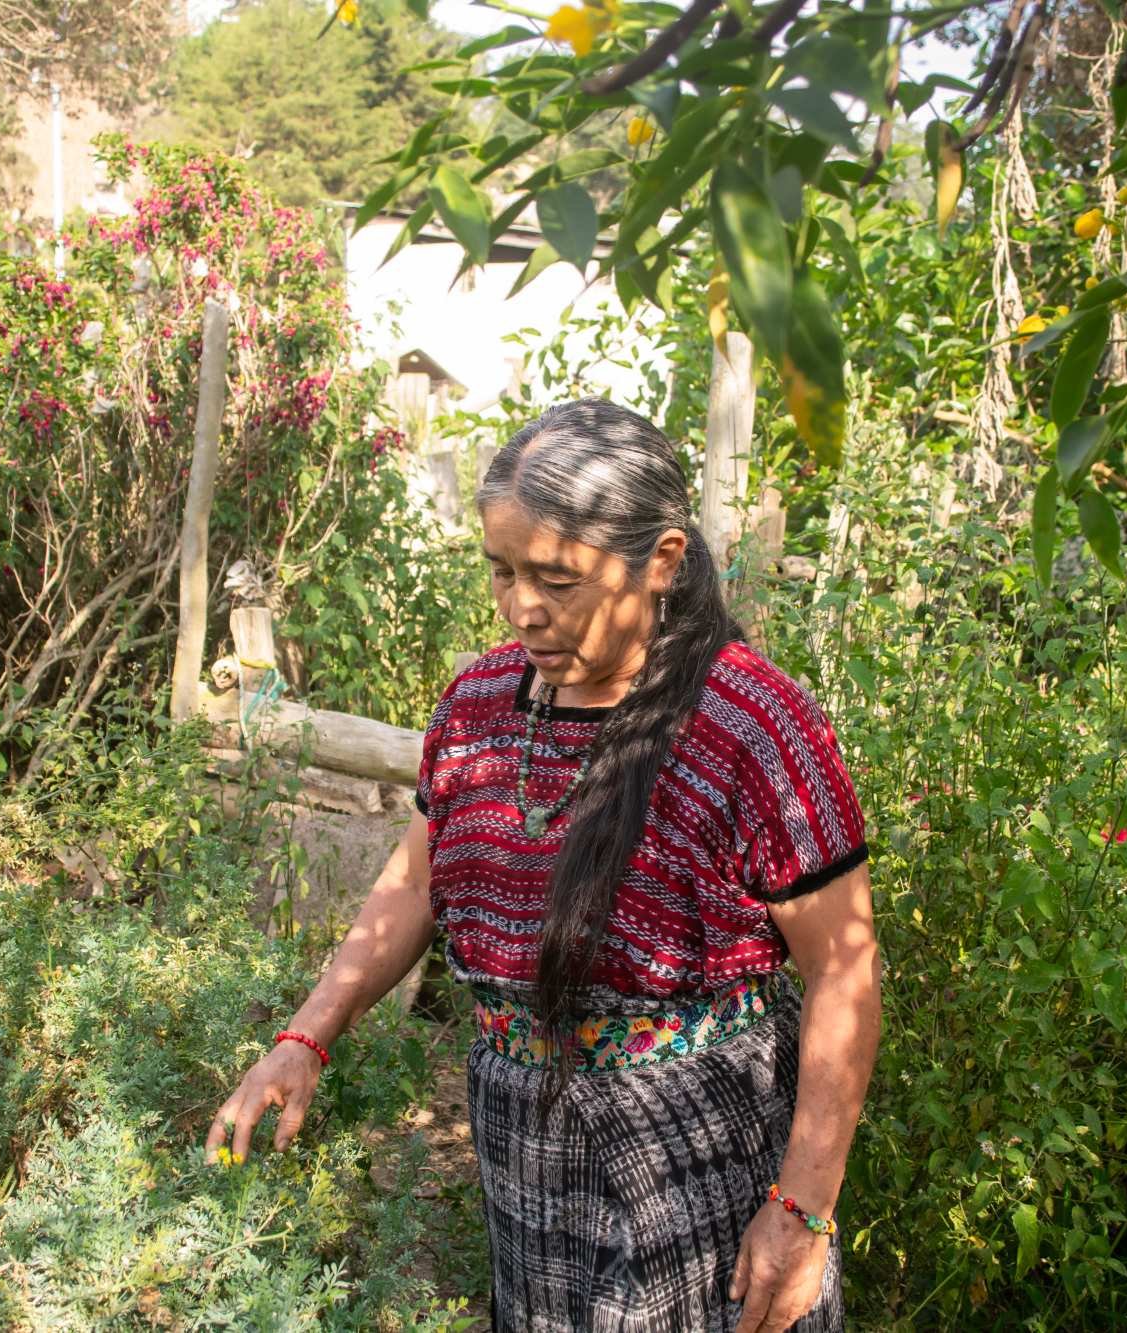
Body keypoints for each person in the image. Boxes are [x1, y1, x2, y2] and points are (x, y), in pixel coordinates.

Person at [207, 398, 883, 1332]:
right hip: (523, 1142)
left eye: (557, 578)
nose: (523, 607)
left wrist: (803, 1208)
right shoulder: (480, 704)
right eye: (502, 572)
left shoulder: (753, 727)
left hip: (698, 1152)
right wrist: (307, 1033)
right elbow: (414, 883)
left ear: (663, 562)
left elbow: (843, 968)